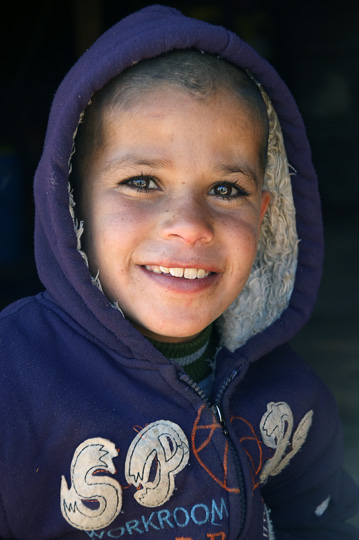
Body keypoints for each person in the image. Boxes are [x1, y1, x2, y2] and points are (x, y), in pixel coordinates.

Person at [0, 5, 358, 539]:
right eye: (143, 181)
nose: (190, 226)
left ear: (265, 216)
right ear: (70, 204)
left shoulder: (291, 397)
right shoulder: (13, 381)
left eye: (226, 189)